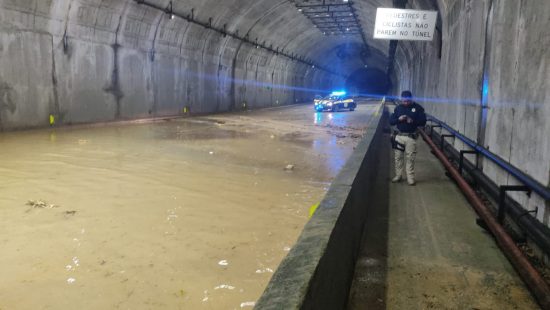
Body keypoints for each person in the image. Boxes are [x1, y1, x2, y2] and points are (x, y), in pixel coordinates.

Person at [389, 90, 426, 185]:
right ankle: (398, 175)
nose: (405, 103)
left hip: (411, 137)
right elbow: (391, 121)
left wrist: (412, 120)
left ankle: (410, 177)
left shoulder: (418, 108)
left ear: (411, 99)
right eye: (404, 101)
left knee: (410, 158)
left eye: (407, 101)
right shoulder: (398, 108)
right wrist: (398, 119)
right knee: (398, 157)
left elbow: (423, 121)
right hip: (399, 136)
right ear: (401, 99)